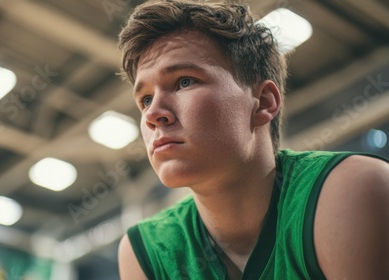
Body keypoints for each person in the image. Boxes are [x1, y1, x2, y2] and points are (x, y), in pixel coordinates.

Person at [116, 1, 389, 279]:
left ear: (263, 103)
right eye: (146, 99)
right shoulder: (146, 252)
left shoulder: (351, 190)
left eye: (184, 81)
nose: (153, 114)